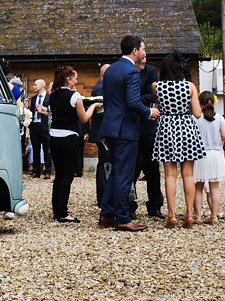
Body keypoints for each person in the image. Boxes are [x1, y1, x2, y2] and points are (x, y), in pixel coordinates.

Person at [98, 35, 160, 232]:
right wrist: (150, 111)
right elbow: (132, 102)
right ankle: (123, 218)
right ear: (135, 51)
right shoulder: (131, 72)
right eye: (143, 49)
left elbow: (109, 101)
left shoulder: (111, 70)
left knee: (116, 172)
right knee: (124, 174)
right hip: (126, 129)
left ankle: (107, 214)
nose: (144, 52)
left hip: (111, 127)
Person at [151, 50, 205, 229]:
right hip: (187, 129)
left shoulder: (156, 86)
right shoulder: (189, 86)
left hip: (166, 128)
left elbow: (157, 105)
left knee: (169, 175)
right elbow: (197, 114)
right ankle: (189, 215)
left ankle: (172, 215)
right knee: (188, 174)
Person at [48, 65, 101, 223]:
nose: (77, 81)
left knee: (59, 175)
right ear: (68, 79)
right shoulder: (75, 96)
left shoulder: (53, 95)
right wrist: (93, 106)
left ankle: (57, 210)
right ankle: (63, 213)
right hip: (69, 138)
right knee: (67, 176)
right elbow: (84, 118)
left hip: (54, 138)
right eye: (75, 78)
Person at [129, 55, 164, 219]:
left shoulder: (150, 71)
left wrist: (134, 100)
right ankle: (129, 206)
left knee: (152, 170)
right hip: (131, 127)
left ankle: (155, 206)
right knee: (132, 170)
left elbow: (153, 96)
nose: (144, 61)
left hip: (149, 127)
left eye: (145, 58)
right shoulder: (128, 71)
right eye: (141, 58)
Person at [192, 90, 225, 225]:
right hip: (216, 155)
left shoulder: (195, 118)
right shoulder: (219, 118)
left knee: (198, 187)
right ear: (213, 102)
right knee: (215, 187)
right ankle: (214, 216)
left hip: (200, 154)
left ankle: (198, 216)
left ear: (199, 103)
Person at [89, 63, 109, 208]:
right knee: (103, 164)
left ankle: (103, 196)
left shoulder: (101, 87)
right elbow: (101, 113)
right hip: (102, 132)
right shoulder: (101, 88)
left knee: (104, 163)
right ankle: (102, 198)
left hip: (102, 131)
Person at [27, 78, 52, 178]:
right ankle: (36, 171)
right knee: (35, 150)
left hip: (45, 127)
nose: (34, 86)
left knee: (47, 149)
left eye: (35, 84)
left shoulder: (49, 98)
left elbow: (51, 113)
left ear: (42, 86)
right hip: (35, 127)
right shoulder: (33, 99)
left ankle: (47, 171)